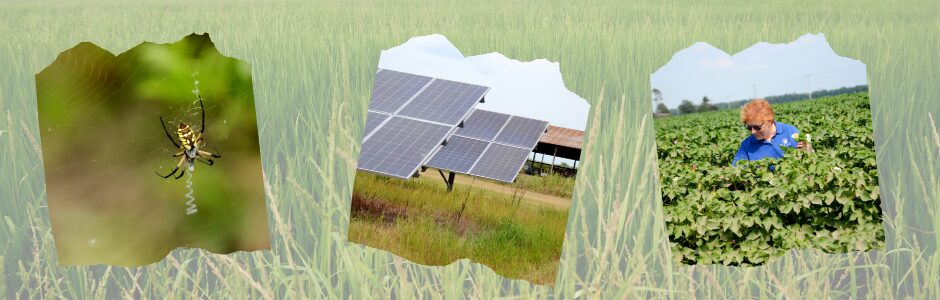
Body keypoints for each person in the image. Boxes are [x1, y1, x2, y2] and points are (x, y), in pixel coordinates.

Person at [731, 99, 807, 166]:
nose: (753, 132)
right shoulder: (747, 145)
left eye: (757, 127)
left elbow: (808, 156)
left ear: (770, 121)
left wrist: (808, 150)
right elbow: (735, 168)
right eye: (749, 127)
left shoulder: (790, 132)